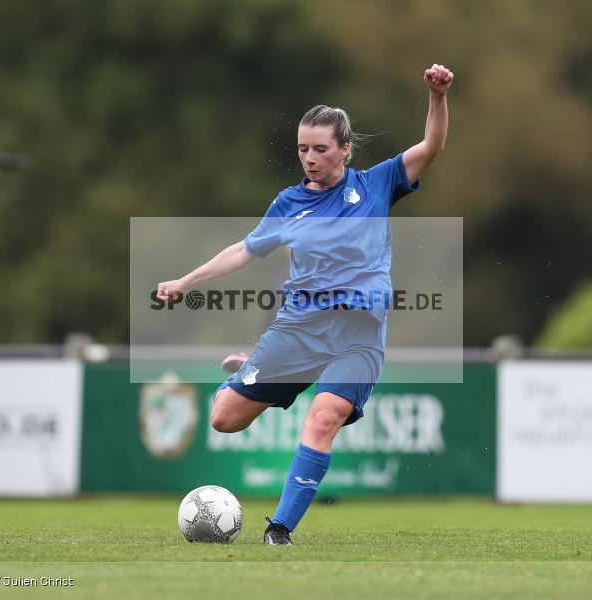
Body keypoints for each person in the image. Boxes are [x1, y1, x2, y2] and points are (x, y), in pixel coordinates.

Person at [157, 64, 454, 544]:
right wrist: (186, 281)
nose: (309, 158)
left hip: (357, 339)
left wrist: (437, 97)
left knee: (323, 417)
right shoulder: (289, 204)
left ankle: (280, 529)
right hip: (299, 330)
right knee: (224, 420)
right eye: (302, 149)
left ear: (345, 149)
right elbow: (242, 250)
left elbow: (432, 147)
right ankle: (253, 370)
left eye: (320, 149)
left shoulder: (376, 185)